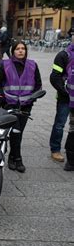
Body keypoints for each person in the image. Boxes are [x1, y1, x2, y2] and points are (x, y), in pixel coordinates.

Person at [0, 41, 42, 173]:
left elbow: (38, 84)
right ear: (13, 51)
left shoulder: (32, 65)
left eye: (23, 49)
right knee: (15, 131)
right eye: (18, 49)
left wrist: (33, 98)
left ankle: (12, 157)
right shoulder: (5, 64)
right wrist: (2, 98)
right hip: (10, 104)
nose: (21, 51)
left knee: (19, 133)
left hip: (26, 105)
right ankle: (17, 158)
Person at [49, 37, 74, 165]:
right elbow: (54, 76)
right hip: (65, 97)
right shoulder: (63, 55)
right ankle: (55, 149)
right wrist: (64, 92)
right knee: (60, 124)